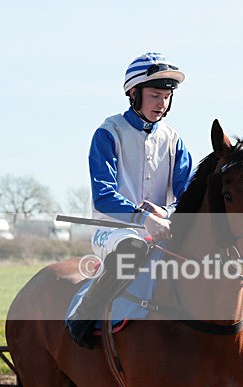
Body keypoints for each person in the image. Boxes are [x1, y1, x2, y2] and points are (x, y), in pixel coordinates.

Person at [75, 52, 193, 320]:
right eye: (155, 95)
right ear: (133, 92)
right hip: (113, 232)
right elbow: (103, 196)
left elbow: (188, 194)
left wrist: (167, 213)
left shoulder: (174, 139)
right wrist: (144, 219)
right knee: (133, 248)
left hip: (163, 231)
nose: (162, 103)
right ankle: (85, 314)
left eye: (167, 97)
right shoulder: (108, 132)